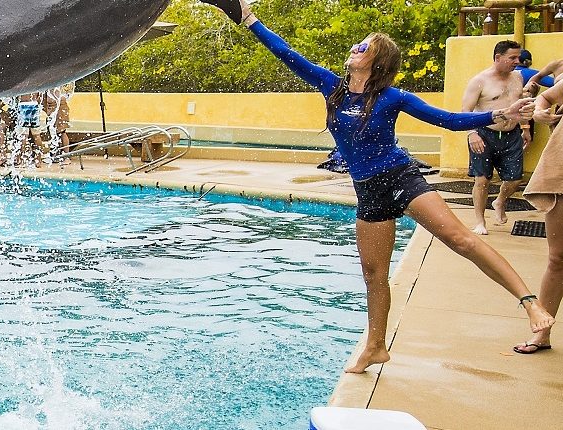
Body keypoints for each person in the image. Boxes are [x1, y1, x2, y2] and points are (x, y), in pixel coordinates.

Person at [200, 0, 554, 374]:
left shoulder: (392, 97)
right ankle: (375, 347)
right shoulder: (331, 86)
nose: (355, 49)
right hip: (368, 191)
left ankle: (530, 302)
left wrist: (499, 115)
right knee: (373, 275)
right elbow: (286, 53)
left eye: (363, 46)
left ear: (378, 59)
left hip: (400, 177)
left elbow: (449, 120)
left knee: (460, 239)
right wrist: (249, 18)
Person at [462, 41, 530, 235]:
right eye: (512, 58)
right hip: (484, 134)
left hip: (512, 134)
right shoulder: (479, 81)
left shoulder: (517, 77)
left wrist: (525, 128)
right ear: (498, 58)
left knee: (515, 179)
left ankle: (500, 200)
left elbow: (520, 104)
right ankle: (480, 221)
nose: (517, 61)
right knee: (482, 180)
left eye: (518, 57)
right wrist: (472, 133)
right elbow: (466, 110)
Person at [515, 80, 563, 354]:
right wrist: (540, 112)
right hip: (560, 171)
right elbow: (544, 100)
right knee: (557, 258)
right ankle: (542, 334)